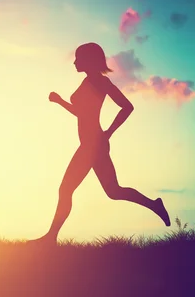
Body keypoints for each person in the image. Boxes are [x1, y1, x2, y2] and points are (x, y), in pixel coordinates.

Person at [29, 42, 171, 245]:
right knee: (113, 191)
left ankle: (50, 238)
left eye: (79, 58)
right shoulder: (89, 82)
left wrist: (108, 133)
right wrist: (60, 102)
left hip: (93, 145)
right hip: (91, 145)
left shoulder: (100, 82)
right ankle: (155, 205)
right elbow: (82, 113)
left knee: (66, 189)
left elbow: (127, 107)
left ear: (89, 60)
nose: (75, 62)